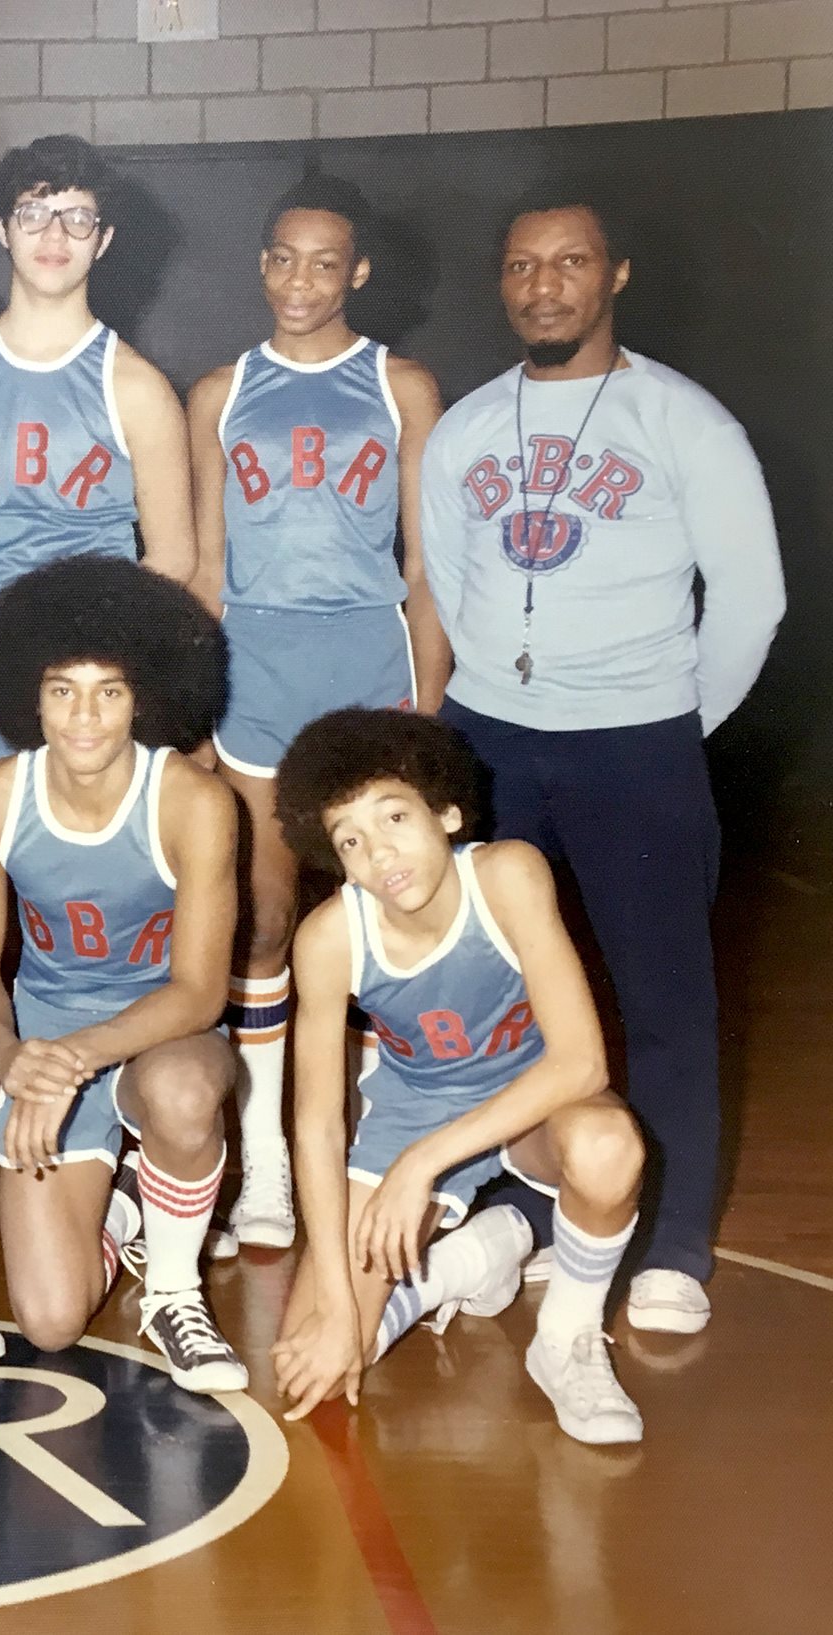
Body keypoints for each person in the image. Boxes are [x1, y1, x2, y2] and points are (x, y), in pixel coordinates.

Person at [420, 189, 785, 1333]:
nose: (543, 285)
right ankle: (521, 1204)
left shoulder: (684, 423)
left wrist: (670, 725)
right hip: (489, 744)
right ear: (501, 282)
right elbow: (442, 581)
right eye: (522, 266)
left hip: (635, 746)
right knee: (496, 995)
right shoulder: (467, 428)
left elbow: (752, 600)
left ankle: (672, 1242)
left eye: (567, 262)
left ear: (613, 274)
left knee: (661, 998)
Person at [185, 174, 448, 1258]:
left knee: (386, 908)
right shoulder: (217, 392)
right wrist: (197, 705)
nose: (301, 281)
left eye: (324, 262)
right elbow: (203, 564)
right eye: (283, 258)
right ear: (259, 265)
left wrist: (427, 709)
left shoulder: (400, 386)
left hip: (365, 664)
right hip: (254, 667)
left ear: (358, 272)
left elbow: (426, 565)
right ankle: (266, 1165)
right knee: (260, 914)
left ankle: (388, 1136)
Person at [269, 708, 649, 1444]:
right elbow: (316, 1123)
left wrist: (424, 1164)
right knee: (314, 1359)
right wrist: (344, 1309)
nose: (380, 852)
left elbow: (583, 1061)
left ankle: (565, 1338)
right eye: (351, 839)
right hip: (419, 1108)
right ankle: (477, 1255)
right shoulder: (330, 939)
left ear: (445, 811)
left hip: (534, 1097)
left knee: (609, 1147)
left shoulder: (506, 873)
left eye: (394, 817)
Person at [0, 556, 244, 1390]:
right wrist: (12, 1058)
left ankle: (176, 1288)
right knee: (48, 1320)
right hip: (44, 1042)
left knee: (185, 1096)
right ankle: (127, 1205)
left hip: (160, 1035)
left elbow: (198, 991)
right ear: (29, 694)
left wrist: (74, 1059)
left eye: (109, 691)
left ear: (143, 695)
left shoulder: (192, 800)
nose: (84, 715)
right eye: (62, 689)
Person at [0, 133, 194, 780]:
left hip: (84, 683)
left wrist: (101, 664)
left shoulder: (136, 387)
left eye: (78, 217)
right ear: (3, 229)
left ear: (102, 239)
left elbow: (173, 557)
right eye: (34, 212)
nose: (55, 234)